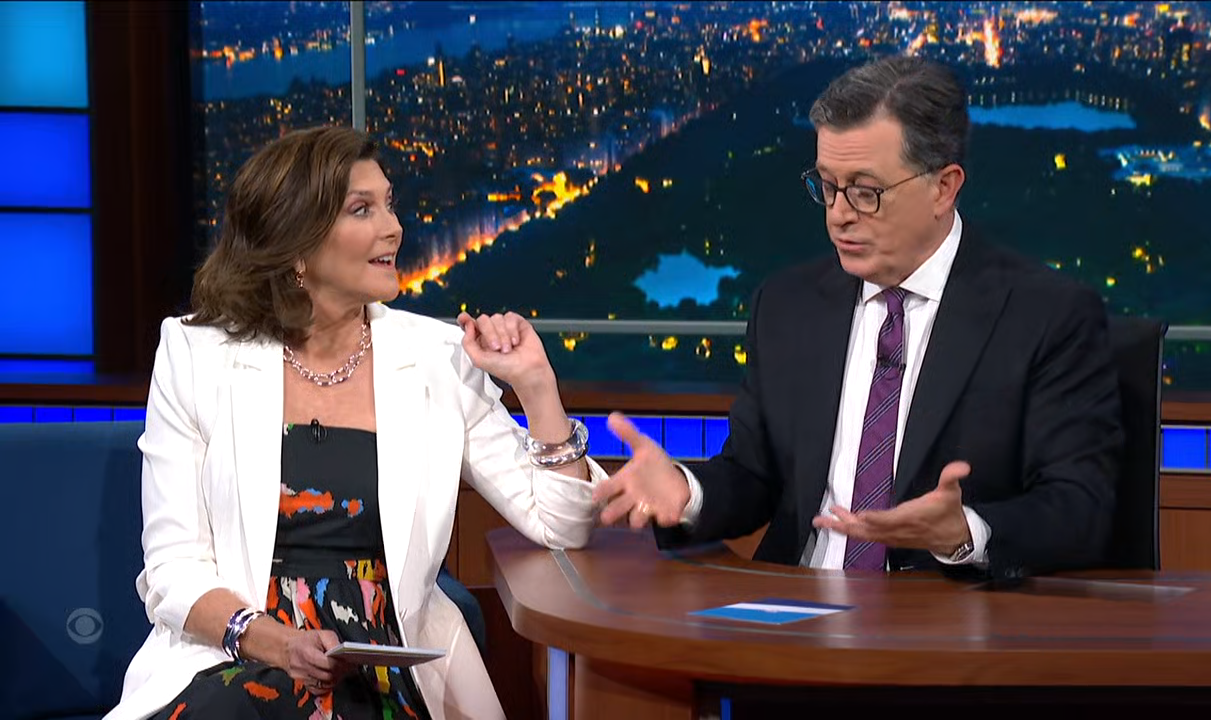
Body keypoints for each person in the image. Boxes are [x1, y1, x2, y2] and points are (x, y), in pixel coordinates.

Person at [106, 126, 606, 720]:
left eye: (389, 204)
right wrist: (276, 642)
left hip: (385, 668)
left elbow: (560, 524)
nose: (393, 227)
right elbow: (172, 568)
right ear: (296, 242)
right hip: (233, 655)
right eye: (362, 209)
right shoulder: (196, 353)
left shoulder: (438, 358)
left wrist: (536, 385)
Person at [592, 55, 1124, 581]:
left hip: (944, 615)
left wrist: (965, 532)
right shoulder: (787, 305)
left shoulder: (1046, 316)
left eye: (866, 192)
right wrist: (689, 493)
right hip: (796, 606)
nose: (839, 214)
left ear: (943, 187)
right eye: (827, 186)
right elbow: (753, 476)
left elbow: (1082, 508)